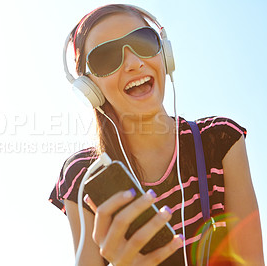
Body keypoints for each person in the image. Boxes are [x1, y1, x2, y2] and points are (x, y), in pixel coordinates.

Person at [48, 4, 264, 265]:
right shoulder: (83, 176)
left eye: (143, 41)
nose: (134, 63)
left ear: (165, 54)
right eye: (106, 58)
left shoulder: (221, 141)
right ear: (89, 88)